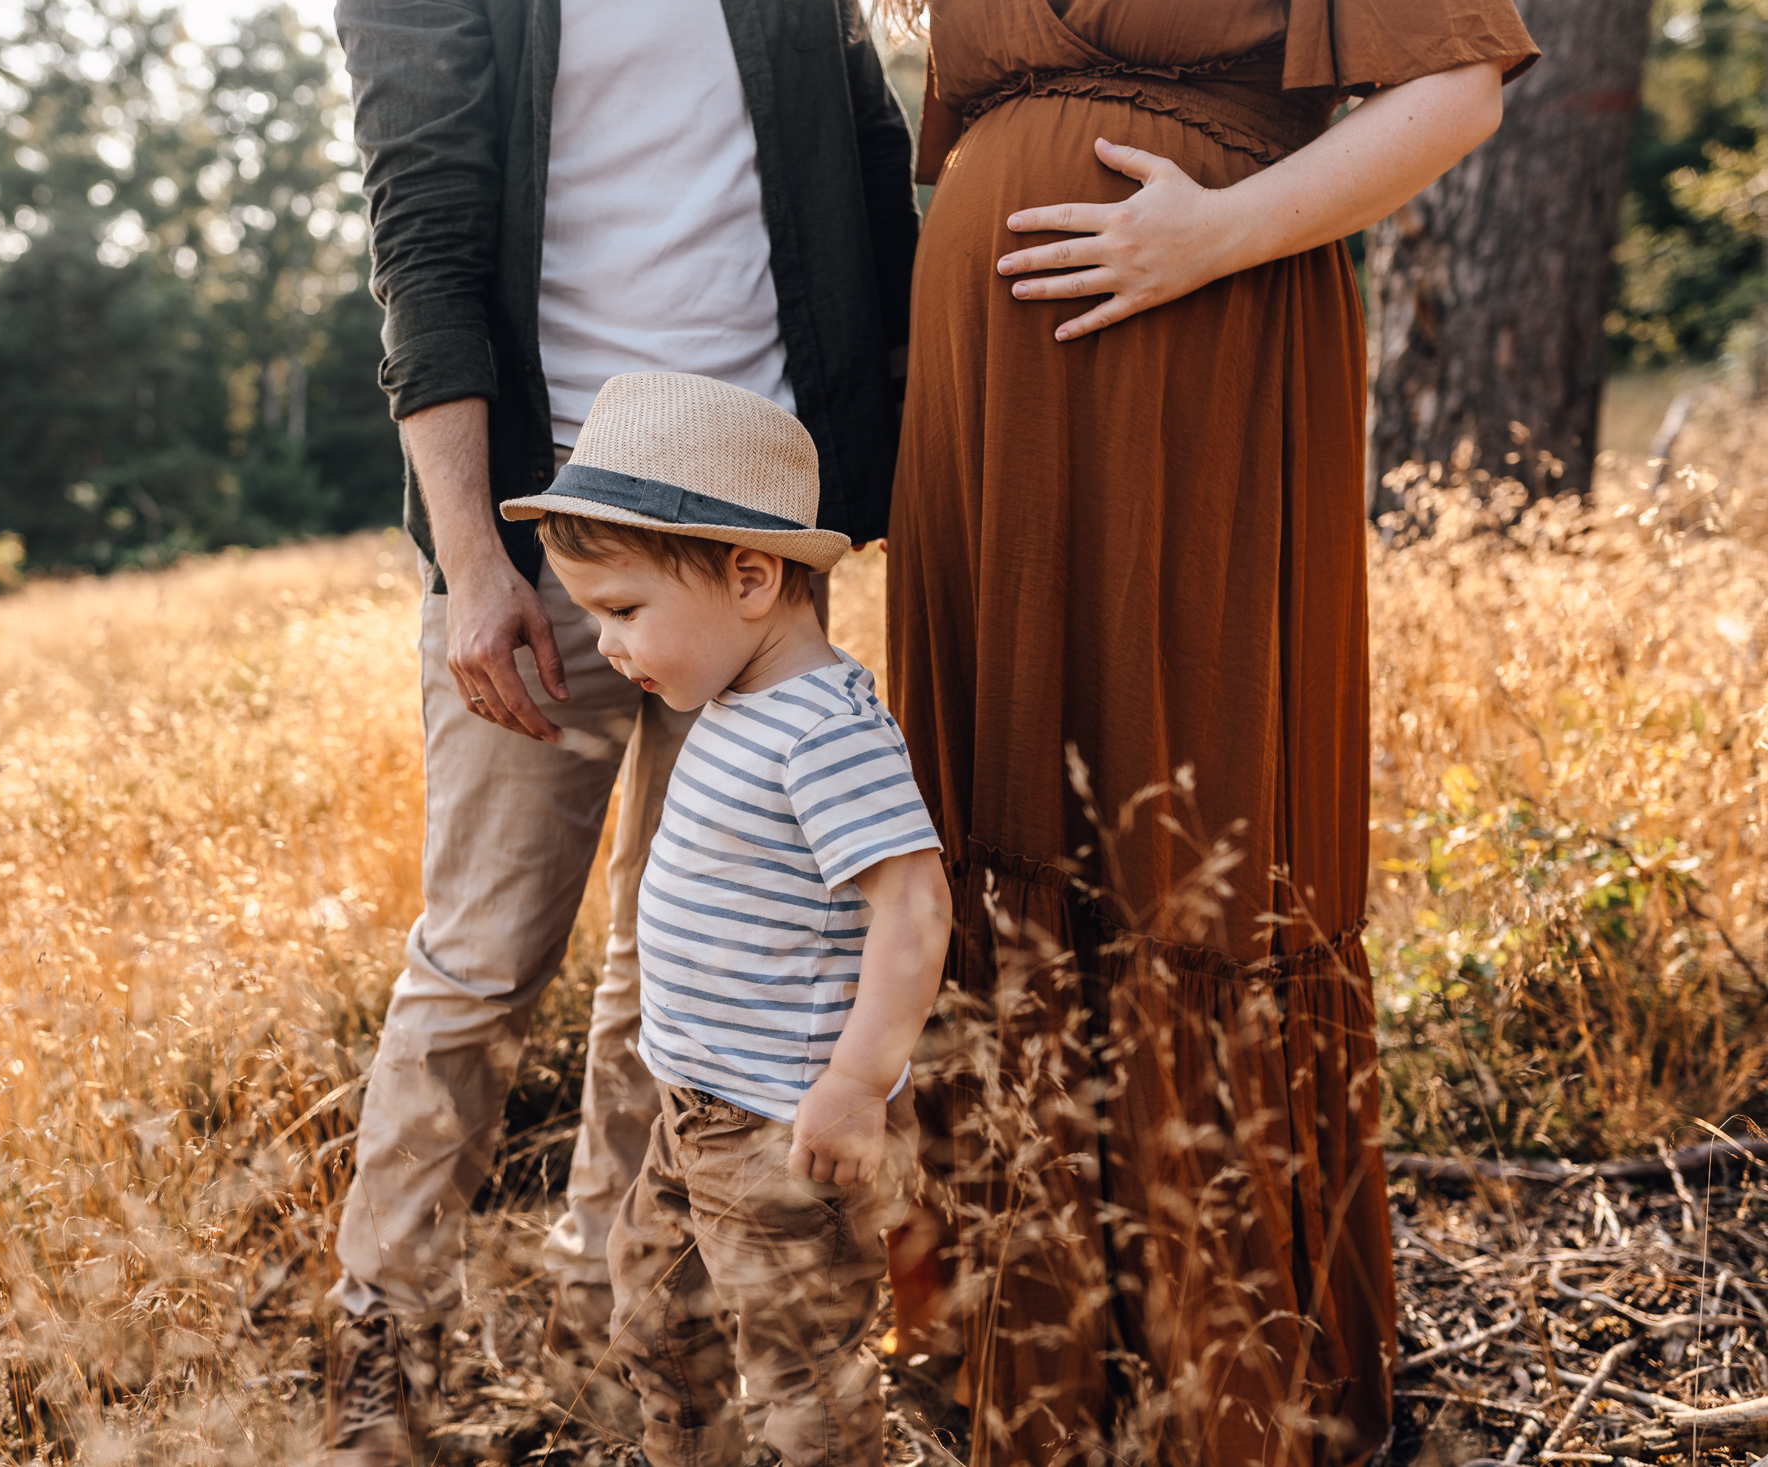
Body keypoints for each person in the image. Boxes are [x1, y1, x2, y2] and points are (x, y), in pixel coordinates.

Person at [881, 1, 1538, 1464]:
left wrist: (1216, 234)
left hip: (1206, 345)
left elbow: (1459, 89)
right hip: (989, 392)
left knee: (1193, 831)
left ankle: (1217, 1376)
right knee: (992, 828)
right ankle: (1028, 1359)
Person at [323, 0, 918, 1460]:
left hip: (751, 532)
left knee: (680, 953)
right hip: (549, 522)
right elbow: (426, 239)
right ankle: (377, 1354)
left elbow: (867, 160)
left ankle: (607, 1320)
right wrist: (478, 564)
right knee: (481, 952)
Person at [501, 370, 951, 1467]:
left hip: (783, 1132)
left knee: (803, 1378)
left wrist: (854, 1086)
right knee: (658, 1331)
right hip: (690, 1112)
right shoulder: (739, 700)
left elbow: (914, 902)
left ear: (752, 578)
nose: (606, 645)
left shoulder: (824, 728)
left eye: (622, 611)